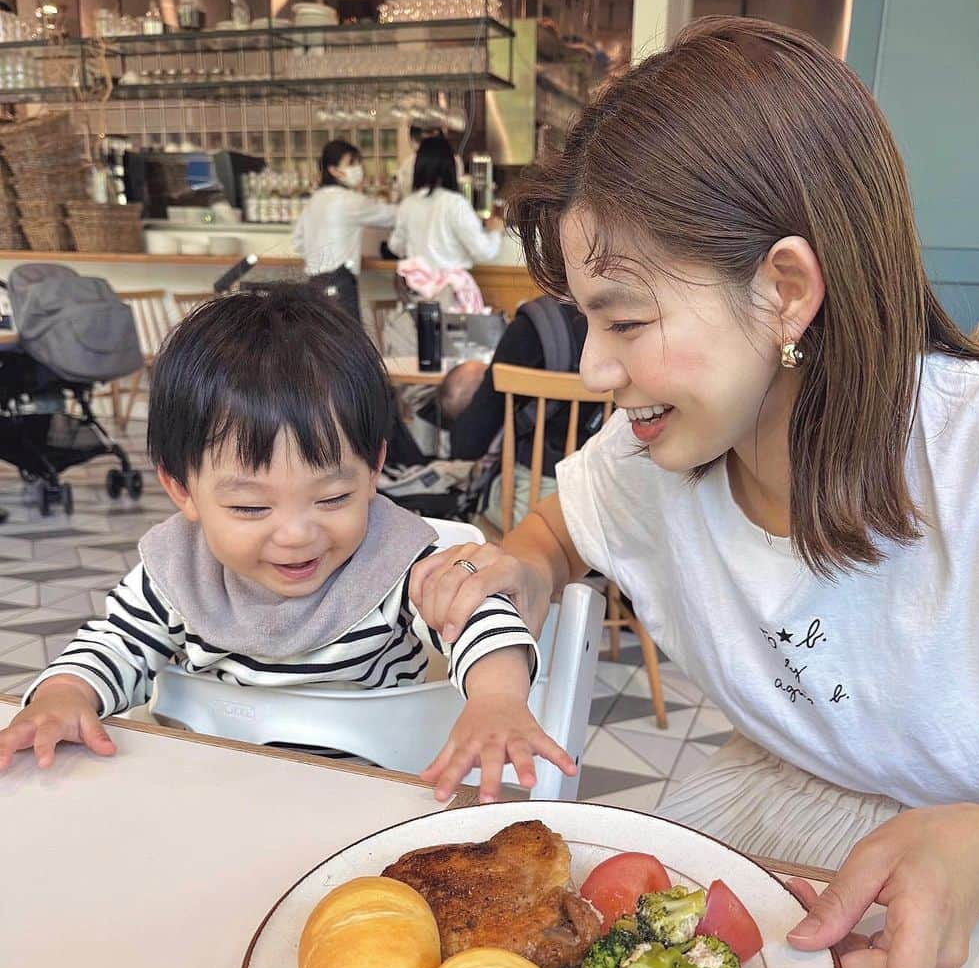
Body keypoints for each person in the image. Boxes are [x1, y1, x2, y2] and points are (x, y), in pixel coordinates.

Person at [409, 17, 979, 968]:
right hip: (775, 827)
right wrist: (524, 570)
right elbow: (553, 534)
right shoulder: (651, 460)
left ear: (785, 290)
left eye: (627, 322)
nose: (594, 369)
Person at [0, 290, 573, 797]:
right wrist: (65, 694)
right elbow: (115, 644)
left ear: (374, 469)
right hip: (210, 800)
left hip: (360, 807)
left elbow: (478, 614)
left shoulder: (395, 564)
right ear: (182, 488)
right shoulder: (176, 574)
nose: (297, 534)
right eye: (250, 507)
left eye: (331, 499)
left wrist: (496, 699)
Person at [448, 298, 605, 529]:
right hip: (614, 503)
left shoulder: (534, 326)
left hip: (532, 504)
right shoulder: (635, 321)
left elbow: (468, 444)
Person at [388, 136, 502, 317]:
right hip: (451, 295)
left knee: (421, 342)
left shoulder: (408, 204)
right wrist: (495, 231)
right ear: (451, 167)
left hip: (417, 294)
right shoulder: (456, 204)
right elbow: (483, 251)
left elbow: (395, 245)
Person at [293, 139, 396, 280]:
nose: (358, 168)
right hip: (340, 281)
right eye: (351, 164)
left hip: (314, 281)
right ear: (333, 170)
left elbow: (298, 241)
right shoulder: (350, 200)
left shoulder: (314, 199)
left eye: (358, 163)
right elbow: (393, 216)